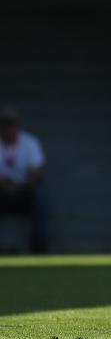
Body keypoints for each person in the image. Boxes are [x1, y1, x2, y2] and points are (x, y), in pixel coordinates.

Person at [0, 107, 45, 253]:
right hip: (2, 190)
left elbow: (37, 172)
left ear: (17, 126)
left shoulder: (30, 142)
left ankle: (38, 247)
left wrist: (21, 185)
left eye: (11, 125)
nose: (8, 130)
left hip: (24, 190)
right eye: (5, 126)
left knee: (40, 195)